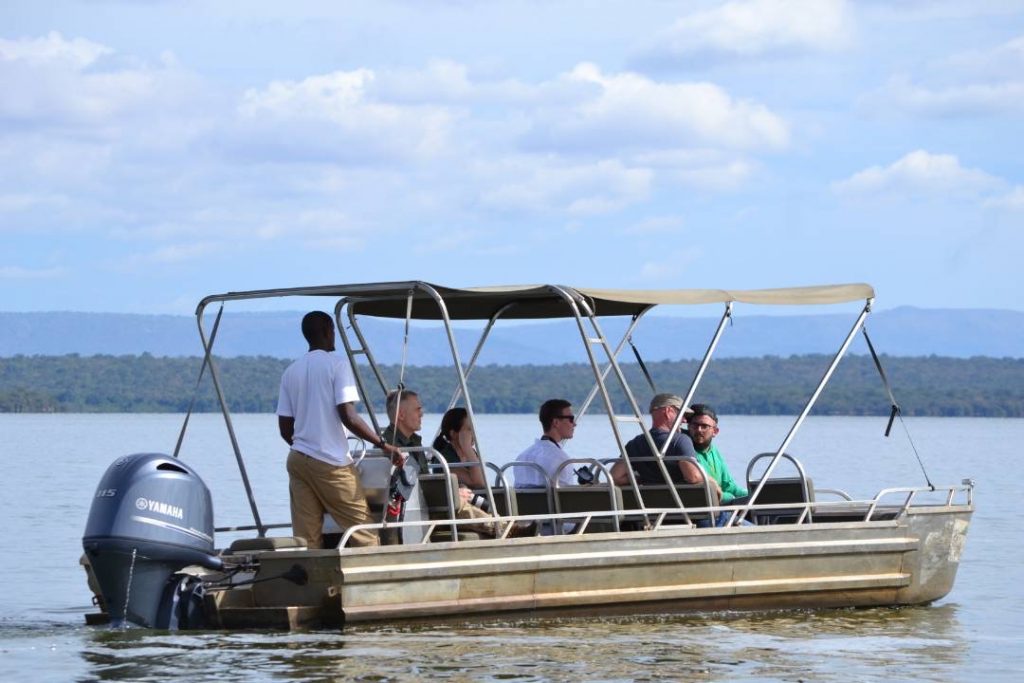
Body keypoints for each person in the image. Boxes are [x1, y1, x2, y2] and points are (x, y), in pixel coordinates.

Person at [276, 311, 402, 549]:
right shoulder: (337, 365)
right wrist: (384, 445)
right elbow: (349, 416)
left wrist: (306, 445)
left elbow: (285, 429)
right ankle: (371, 580)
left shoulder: (290, 371)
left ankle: (313, 583)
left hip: (297, 461)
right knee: (364, 531)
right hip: (330, 462)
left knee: (307, 538)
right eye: (333, 330)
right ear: (327, 331)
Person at [611, 393, 700, 486]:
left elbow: (616, 477)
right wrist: (710, 479)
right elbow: (693, 477)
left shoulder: (634, 444)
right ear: (668, 411)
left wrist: (641, 478)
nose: (684, 420)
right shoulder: (680, 440)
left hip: (645, 499)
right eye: (682, 414)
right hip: (678, 499)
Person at [686, 403, 751, 527]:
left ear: (715, 431)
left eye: (704, 426)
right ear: (689, 427)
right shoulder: (687, 452)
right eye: (695, 425)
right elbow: (713, 495)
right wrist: (731, 497)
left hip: (723, 508)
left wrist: (752, 493)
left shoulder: (714, 451)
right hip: (708, 514)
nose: (699, 430)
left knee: (761, 506)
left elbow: (729, 485)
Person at [513, 399, 579, 488]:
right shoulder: (562, 461)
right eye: (571, 419)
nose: (574, 424)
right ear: (556, 422)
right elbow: (567, 497)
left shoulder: (521, 458)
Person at [381, 389, 426, 470]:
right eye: (417, 409)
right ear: (401, 415)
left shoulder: (415, 440)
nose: (421, 414)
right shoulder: (387, 447)